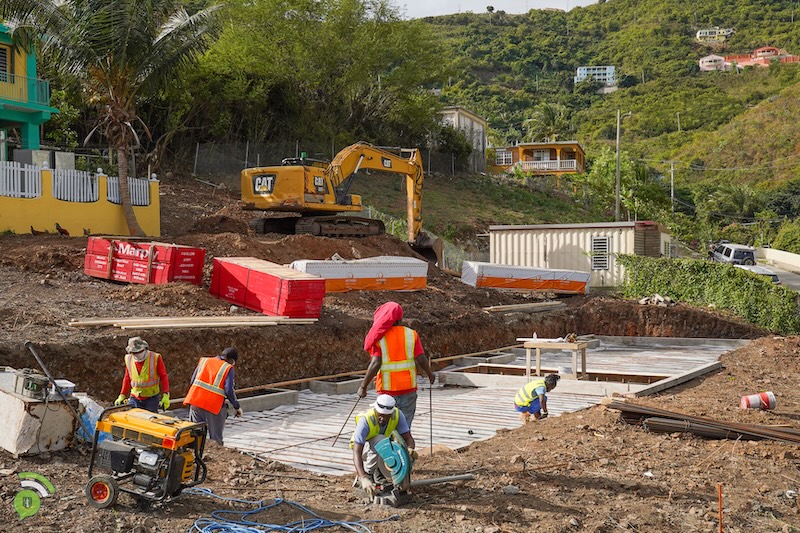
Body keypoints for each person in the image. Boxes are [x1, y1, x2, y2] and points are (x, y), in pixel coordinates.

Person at [357, 302, 435, 427]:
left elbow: (376, 363)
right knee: (404, 426)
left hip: (387, 391)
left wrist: (363, 386)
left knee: (385, 426)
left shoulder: (380, 338)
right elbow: (421, 358)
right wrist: (430, 374)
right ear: (400, 318)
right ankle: (402, 446)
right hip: (408, 388)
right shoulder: (411, 334)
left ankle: (388, 445)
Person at [350, 394, 417, 498]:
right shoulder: (366, 420)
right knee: (381, 441)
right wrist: (363, 476)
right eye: (380, 414)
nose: (382, 418)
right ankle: (368, 476)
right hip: (363, 449)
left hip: (381, 446)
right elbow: (357, 451)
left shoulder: (397, 415)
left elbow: (408, 438)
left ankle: (379, 473)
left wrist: (410, 450)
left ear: (391, 413)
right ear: (375, 410)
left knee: (396, 446)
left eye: (386, 415)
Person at [183, 347, 243, 445]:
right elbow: (228, 390)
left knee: (195, 435)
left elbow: (193, 380)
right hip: (213, 406)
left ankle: (196, 456)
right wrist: (237, 407)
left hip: (195, 402)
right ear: (231, 360)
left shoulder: (204, 361)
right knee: (215, 439)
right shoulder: (227, 368)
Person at [114, 337, 170, 413]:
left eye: (139, 352)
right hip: (134, 397)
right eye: (134, 353)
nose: (137, 355)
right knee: (133, 419)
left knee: (150, 421)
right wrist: (122, 395)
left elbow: (163, 376)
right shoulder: (129, 359)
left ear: (144, 349)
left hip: (151, 398)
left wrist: (166, 395)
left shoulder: (155, 357)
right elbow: (127, 378)